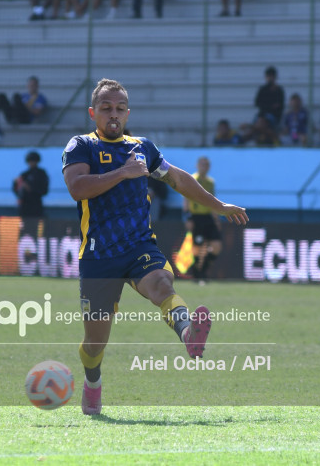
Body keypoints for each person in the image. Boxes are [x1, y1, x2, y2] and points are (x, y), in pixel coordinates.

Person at [62, 78, 248, 415]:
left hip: (138, 247)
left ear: (128, 113)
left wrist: (218, 206)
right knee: (94, 343)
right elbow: (77, 188)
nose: (113, 114)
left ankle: (189, 333)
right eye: (106, 108)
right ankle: (92, 383)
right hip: (99, 256)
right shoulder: (81, 146)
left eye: (119, 109)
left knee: (162, 283)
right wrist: (123, 173)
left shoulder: (142, 148)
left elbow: (177, 179)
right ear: (93, 113)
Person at [183, 157, 223, 283]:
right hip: (196, 217)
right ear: (197, 166)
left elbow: (212, 201)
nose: (204, 167)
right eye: (202, 164)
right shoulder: (192, 179)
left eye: (206, 165)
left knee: (216, 246)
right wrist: (187, 217)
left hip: (208, 217)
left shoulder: (210, 182)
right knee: (197, 247)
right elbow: (186, 198)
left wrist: (216, 219)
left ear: (209, 167)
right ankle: (197, 274)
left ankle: (202, 271)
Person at [251, 65, 285, 145]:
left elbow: (279, 107)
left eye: (272, 76)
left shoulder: (279, 90)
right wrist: (270, 106)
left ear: (275, 77)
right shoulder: (262, 89)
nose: (270, 78)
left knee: (261, 123)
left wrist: (266, 106)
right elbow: (257, 103)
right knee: (260, 121)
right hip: (262, 115)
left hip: (273, 116)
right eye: (268, 76)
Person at [13, 150, 49, 217]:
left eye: (33, 161)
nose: (32, 163)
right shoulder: (24, 174)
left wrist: (31, 188)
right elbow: (17, 191)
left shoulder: (41, 174)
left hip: (36, 206)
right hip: (24, 206)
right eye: (30, 161)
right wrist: (16, 184)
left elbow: (44, 190)